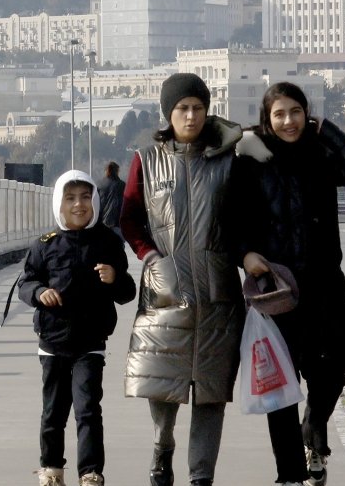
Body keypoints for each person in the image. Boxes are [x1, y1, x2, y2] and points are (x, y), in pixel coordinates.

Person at [231, 83, 345, 486]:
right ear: (267, 118)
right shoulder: (250, 161)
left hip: (325, 286)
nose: (288, 121)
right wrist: (245, 255)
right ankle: (289, 474)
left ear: (307, 114)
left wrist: (326, 130)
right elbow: (232, 218)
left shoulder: (320, 155)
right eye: (279, 114)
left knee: (331, 374)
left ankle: (313, 428)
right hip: (275, 291)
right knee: (281, 386)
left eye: (296, 112)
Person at [120, 73, 245, 486]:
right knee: (162, 385)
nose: (190, 116)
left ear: (207, 111)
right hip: (165, 292)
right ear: (168, 114)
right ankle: (162, 447)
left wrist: (247, 256)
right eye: (181, 109)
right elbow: (130, 220)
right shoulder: (147, 161)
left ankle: (201, 477)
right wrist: (152, 258)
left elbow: (245, 223)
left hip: (218, 293)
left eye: (197, 107)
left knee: (211, 393)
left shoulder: (230, 162)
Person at [18, 169, 137, 486]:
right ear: (59, 202)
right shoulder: (45, 245)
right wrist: (39, 293)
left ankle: (90, 472)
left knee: (87, 409)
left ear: (95, 200)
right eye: (70, 198)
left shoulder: (109, 242)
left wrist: (115, 278)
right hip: (53, 342)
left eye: (85, 197)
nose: (78, 205)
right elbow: (26, 283)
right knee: (53, 413)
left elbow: (127, 293)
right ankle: (51, 469)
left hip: (90, 343)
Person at [97, 160, 125, 229]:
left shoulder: (100, 184)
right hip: (117, 222)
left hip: (101, 222)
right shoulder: (121, 185)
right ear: (117, 171)